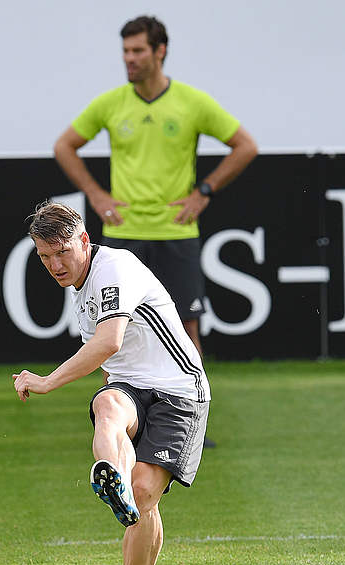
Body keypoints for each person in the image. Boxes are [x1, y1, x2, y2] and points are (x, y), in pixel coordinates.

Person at [54, 14, 256, 448]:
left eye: (138, 51)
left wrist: (204, 191)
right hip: (123, 233)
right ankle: (123, 421)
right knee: (114, 328)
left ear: (159, 51)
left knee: (185, 327)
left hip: (175, 232)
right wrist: (96, 194)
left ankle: (192, 425)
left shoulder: (191, 102)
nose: (129, 59)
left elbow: (245, 145)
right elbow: (64, 146)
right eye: (126, 51)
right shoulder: (111, 103)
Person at [13, 201, 210, 565]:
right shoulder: (80, 292)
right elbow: (110, 365)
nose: (54, 265)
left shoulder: (114, 268)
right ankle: (111, 474)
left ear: (84, 240)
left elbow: (109, 342)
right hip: (131, 387)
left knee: (144, 496)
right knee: (107, 406)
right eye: (44, 256)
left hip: (180, 391)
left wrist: (48, 381)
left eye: (62, 251)